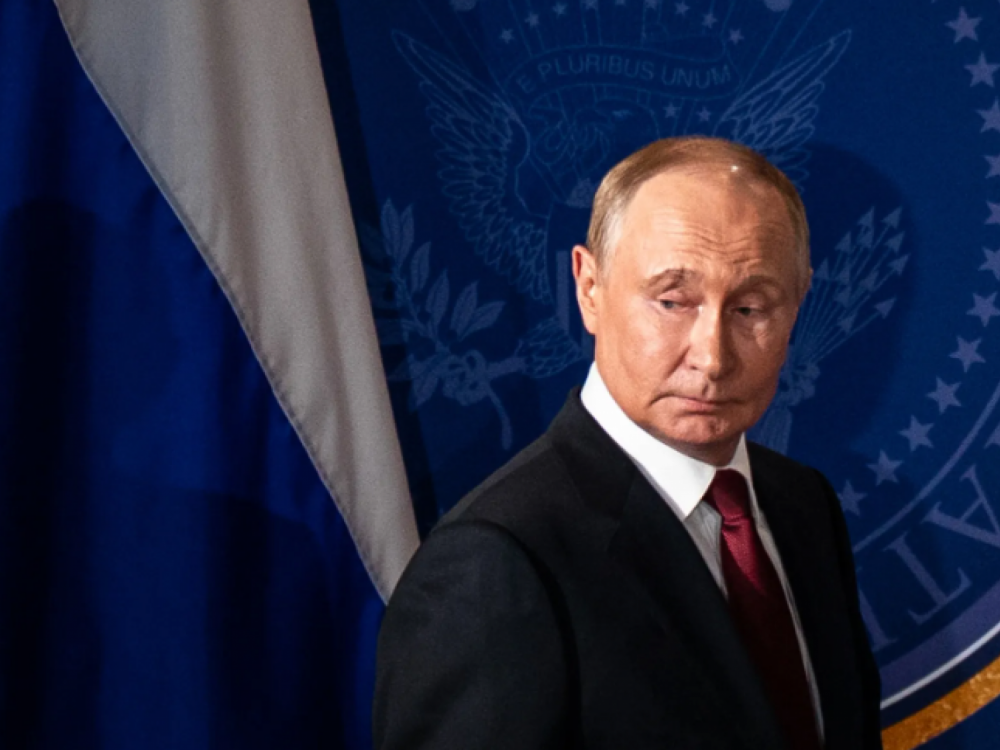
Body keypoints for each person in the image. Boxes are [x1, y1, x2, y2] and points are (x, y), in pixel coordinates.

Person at [373, 136, 883, 750]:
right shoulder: (493, 562)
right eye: (672, 301)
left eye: (750, 308)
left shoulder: (802, 503)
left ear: (798, 304)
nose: (712, 357)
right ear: (589, 288)